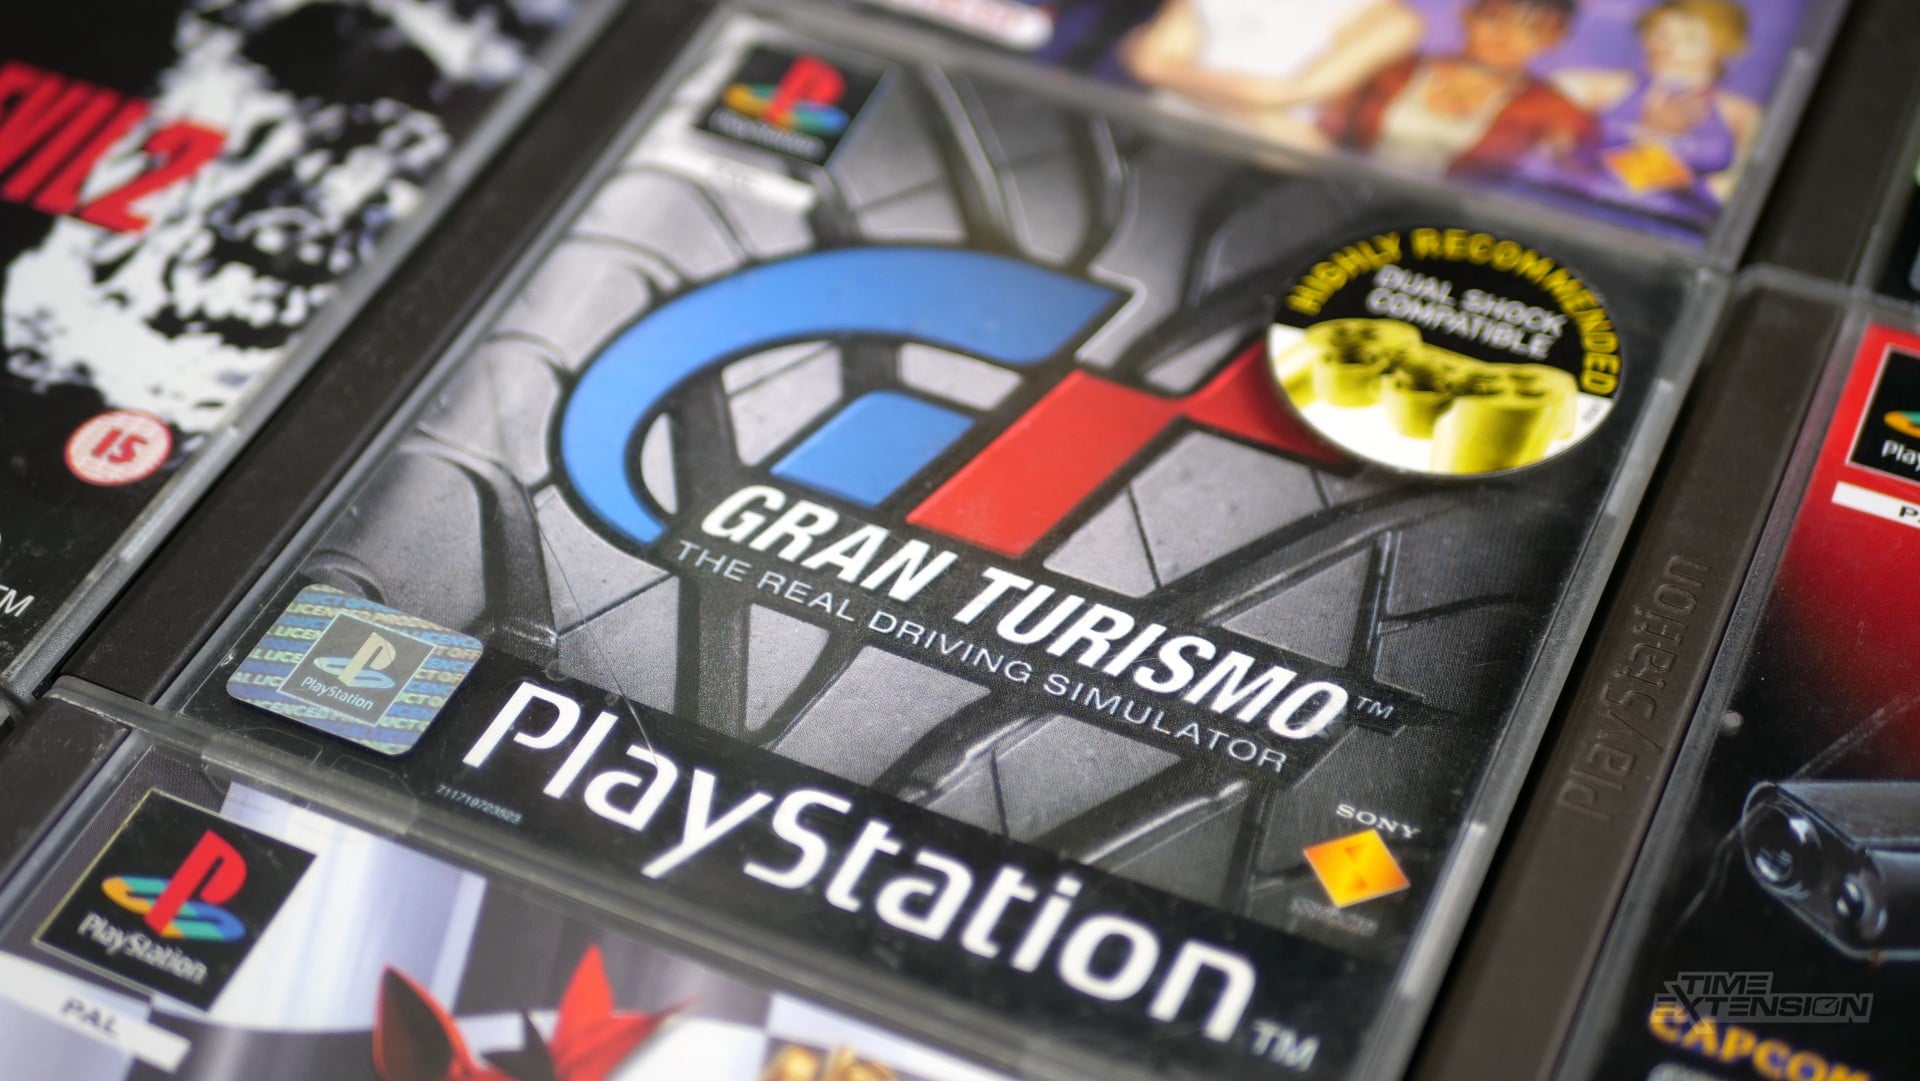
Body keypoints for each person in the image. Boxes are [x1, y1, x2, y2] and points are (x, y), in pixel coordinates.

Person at [1320, 0, 1597, 179]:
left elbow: (1584, 178)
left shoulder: (1555, 109)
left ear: (1555, 39)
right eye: (1494, 19)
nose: (1505, 37)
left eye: (1531, 29)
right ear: (1467, 15)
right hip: (1342, 188)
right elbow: (1325, 128)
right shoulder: (1393, 70)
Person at [1548, 0, 1760, 224]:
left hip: (1675, 231)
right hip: (1585, 215)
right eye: (1661, 34)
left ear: (1726, 46)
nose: (1668, 47)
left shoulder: (1742, 116)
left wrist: (1656, 151)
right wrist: (1647, 135)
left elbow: (1737, 198)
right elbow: (1551, 162)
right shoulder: (1587, 88)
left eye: (1689, 38)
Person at [1117, 0, 1424, 147]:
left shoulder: (1392, 21)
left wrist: (1166, 73)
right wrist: (1158, 69)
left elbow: (1286, 94)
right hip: (1153, 128)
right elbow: (1149, 53)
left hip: (1264, 160)